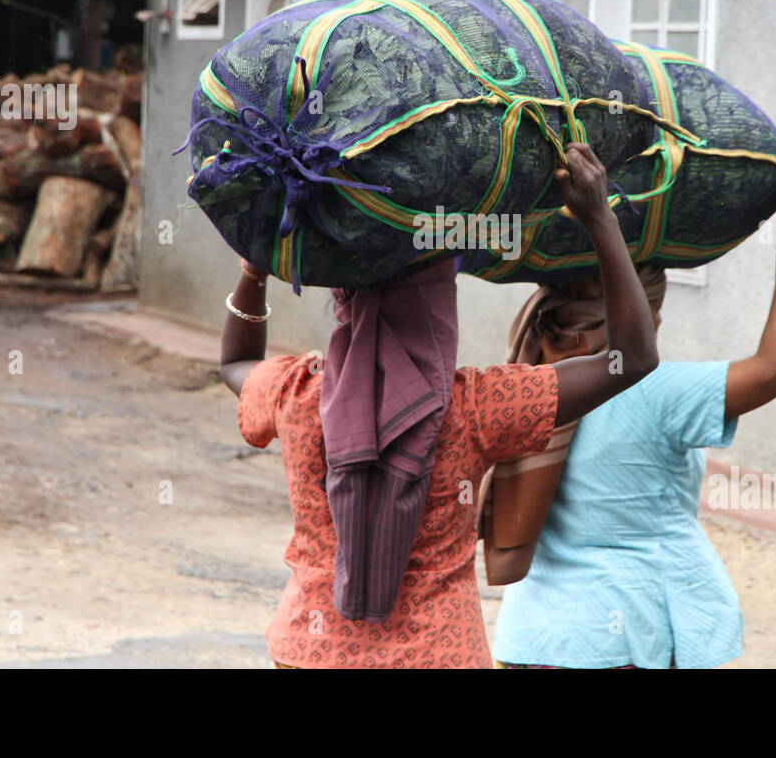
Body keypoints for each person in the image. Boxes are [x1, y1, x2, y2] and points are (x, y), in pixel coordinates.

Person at [219, 142, 660, 668]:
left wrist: (253, 270)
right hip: (438, 652)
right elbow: (631, 360)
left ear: (344, 298)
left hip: (308, 649)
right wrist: (599, 218)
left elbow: (234, 362)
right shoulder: (476, 405)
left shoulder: (296, 391)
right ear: (437, 305)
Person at [490, 173, 776, 669]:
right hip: (625, 639)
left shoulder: (525, 377)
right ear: (643, 316)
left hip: (531, 638)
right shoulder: (654, 390)